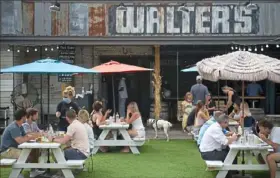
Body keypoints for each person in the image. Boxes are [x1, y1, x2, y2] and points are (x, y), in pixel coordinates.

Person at [0, 109, 39, 178]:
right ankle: (17, 174)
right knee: (26, 156)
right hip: (7, 150)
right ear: (22, 117)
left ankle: (33, 171)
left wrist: (32, 137)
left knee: (34, 151)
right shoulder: (13, 127)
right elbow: (20, 141)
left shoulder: (20, 126)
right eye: (25, 116)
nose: (26, 117)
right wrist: (31, 137)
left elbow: (25, 136)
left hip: (14, 148)